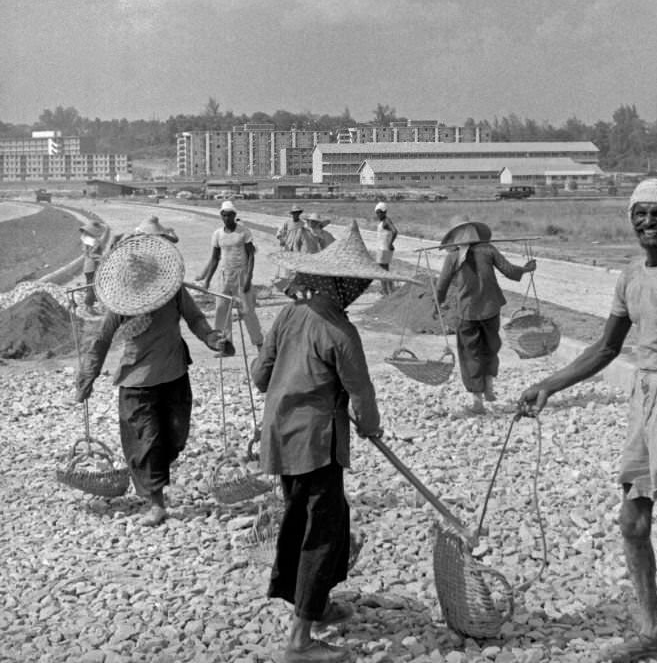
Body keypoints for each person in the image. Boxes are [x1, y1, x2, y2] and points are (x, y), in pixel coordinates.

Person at [519, 179, 657, 663]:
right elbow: (606, 347)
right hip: (644, 397)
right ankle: (651, 631)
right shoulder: (631, 277)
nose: (647, 222)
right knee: (633, 521)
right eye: (639, 214)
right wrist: (550, 384)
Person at [251, 221, 418, 663]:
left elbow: (259, 376)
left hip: (281, 437)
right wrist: (370, 426)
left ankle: (317, 604)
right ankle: (300, 639)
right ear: (348, 286)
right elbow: (362, 395)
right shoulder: (342, 332)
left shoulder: (288, 315)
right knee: (319, 533)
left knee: (316, 518)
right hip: (315, 443)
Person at [75, 231, 227, 527]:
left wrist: (211, 337)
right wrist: (88, 376)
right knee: (146, 441)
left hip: (174, 375)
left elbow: (195, 318)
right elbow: (102, 341)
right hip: (137, 382)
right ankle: (156, 502)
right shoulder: (121, 299)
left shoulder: (173, 290)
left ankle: (155, 478)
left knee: (174, 437)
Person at [435, 215, 536, 414]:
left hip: (467, 312)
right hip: (491, 309)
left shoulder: (453, 257)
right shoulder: (488, 250)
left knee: (470, 353)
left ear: (455, 236)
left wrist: (436, 305)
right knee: (490, 347)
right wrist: (525, 269)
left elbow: (442, 286)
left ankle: (477, 399)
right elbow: (509, 271)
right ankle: (488, 386)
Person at [195, 200, 264, 354]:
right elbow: (214, 259)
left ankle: (259, 343)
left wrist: (249, 278)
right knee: (221, 310)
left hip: (242, 275)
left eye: (229, 215)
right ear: (221, 216)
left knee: (247, 311)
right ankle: (224, 346)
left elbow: (251, 256)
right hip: (224, 276)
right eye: (224, 215)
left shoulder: (244, 232)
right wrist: (207, 280)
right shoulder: (217, 234)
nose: (226, 218)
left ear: (234, 215)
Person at [79, 220, 106, 313]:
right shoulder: (93, 241)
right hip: (92, 267)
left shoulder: (86, 240)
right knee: (93, 286)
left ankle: (89, 306)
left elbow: (88, 254)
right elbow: (92, 254)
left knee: (91, 286)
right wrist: (102, 258)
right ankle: (88, 306)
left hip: (87, 267)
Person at [374, 201, 398, 295]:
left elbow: (395, 231)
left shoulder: (386, 221)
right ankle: (389, 290)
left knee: (382, 271)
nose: (378, 214)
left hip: (384, 249)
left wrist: (390, 243)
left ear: (384, 212)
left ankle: (386, 291)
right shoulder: (383, 221)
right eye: (377, 212)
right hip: (383, 248)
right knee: (385, 270)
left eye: (379, 212)